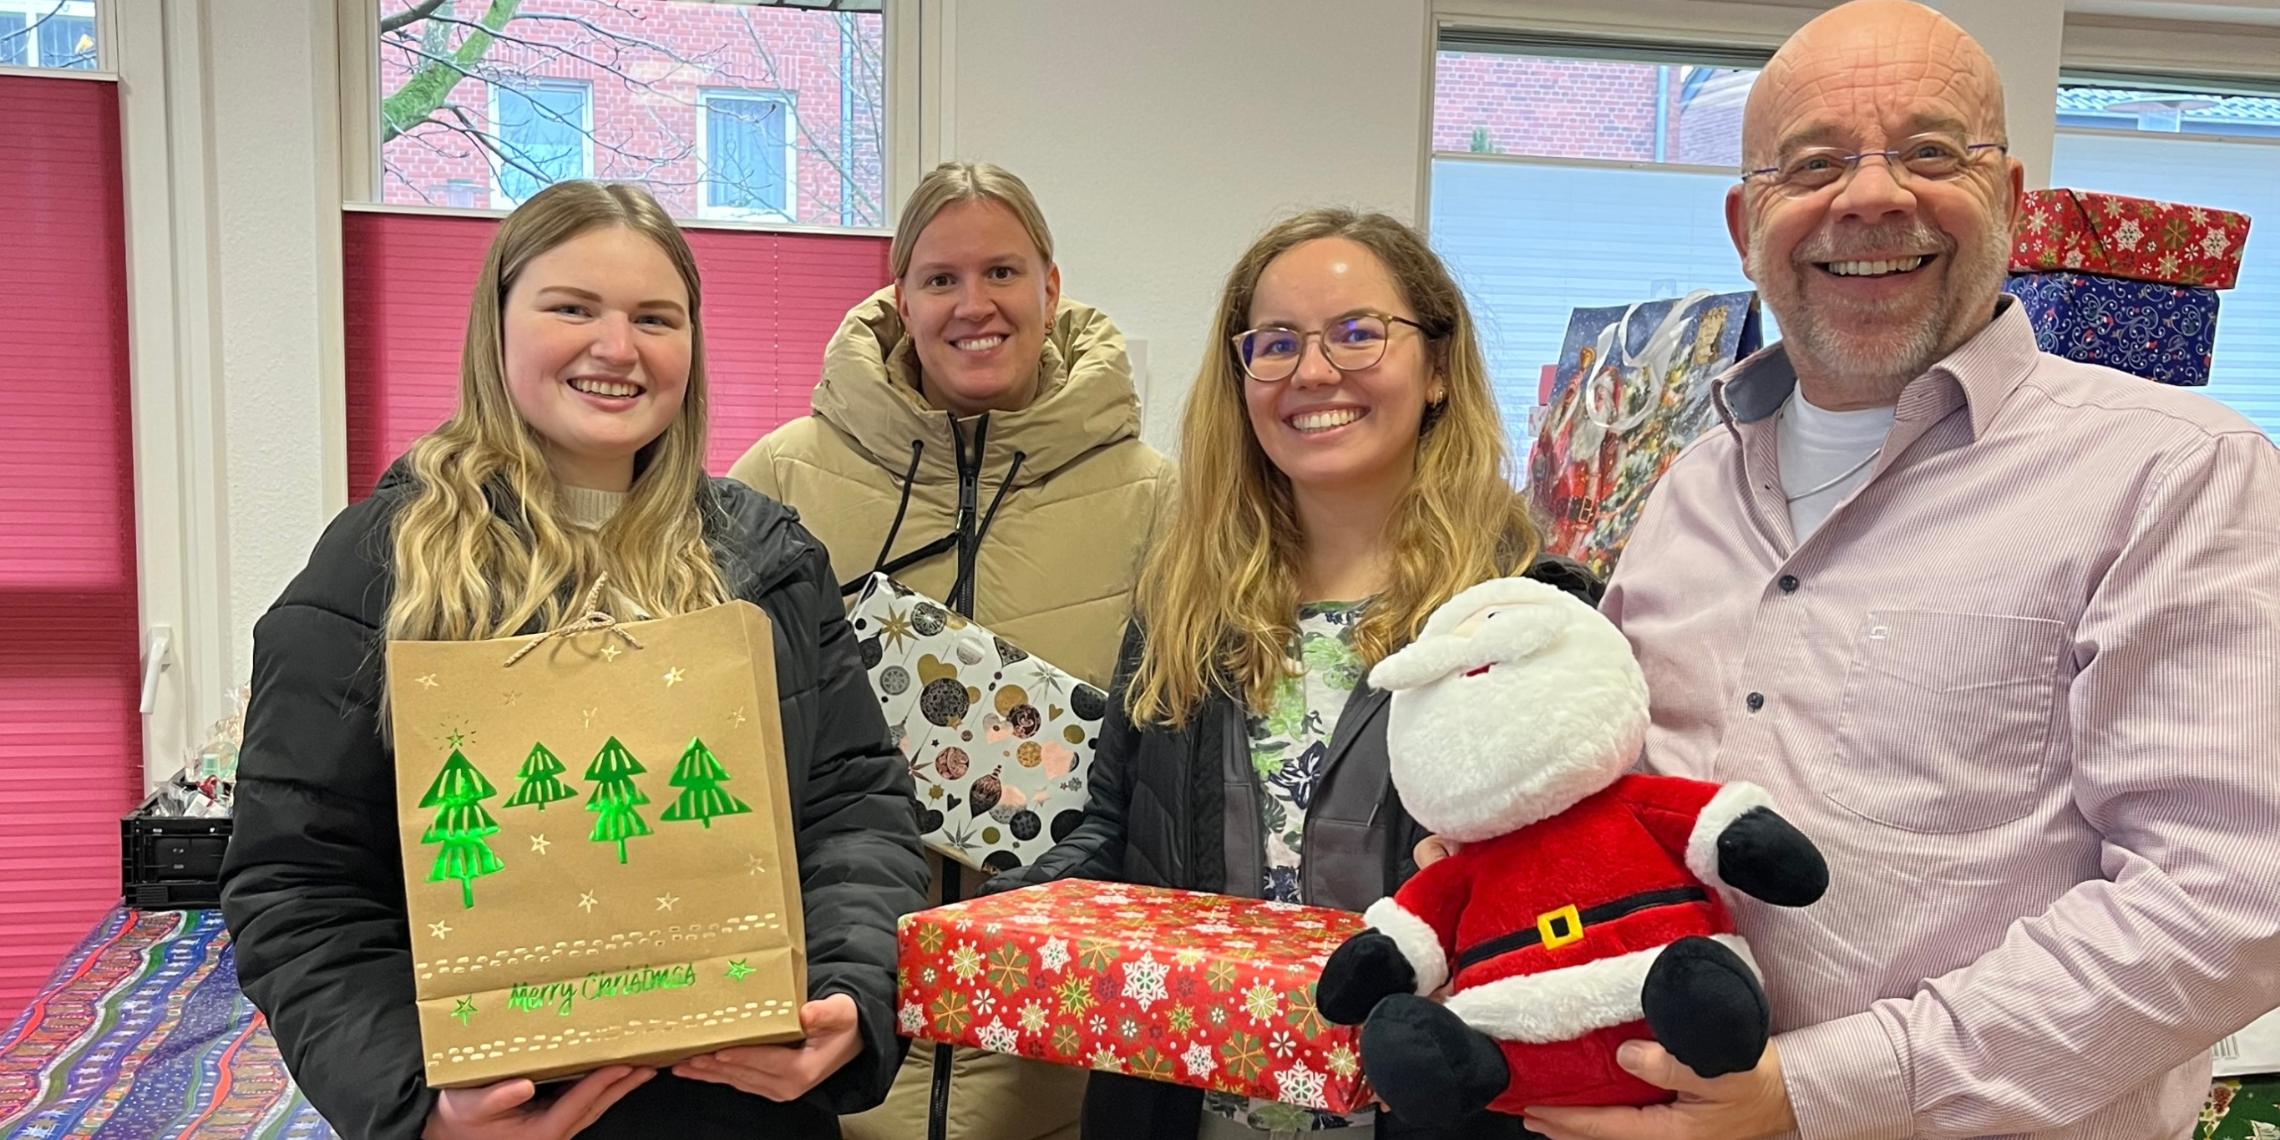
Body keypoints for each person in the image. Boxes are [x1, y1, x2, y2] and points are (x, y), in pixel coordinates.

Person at [1485, 3, 2280, 1138]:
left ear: (2009, 201)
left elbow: (2231, 901)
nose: (1870, 196)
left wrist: (1814, 1095)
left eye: (1928, 152)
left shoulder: (2175, 477)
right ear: (1744, 223)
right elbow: (1634, 800)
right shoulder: (1687, 492)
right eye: (1812, 164)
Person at [219, 181, 928, 1140]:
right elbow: (298, 888)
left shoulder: (766, 559)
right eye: (572, 308)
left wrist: (852, 990)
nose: (617, 348)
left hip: (749, 1114)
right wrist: (416, 1106)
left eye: (655, 317)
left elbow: (856, 805)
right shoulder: (377, 568)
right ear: (496, 328)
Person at [993, 207, 1598, 1140]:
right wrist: (1023, 930)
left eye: (1358, 333)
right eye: (1275, 343)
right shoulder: (1187, 603)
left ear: (1436, 367)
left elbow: (1585, 905)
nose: (1314, 372)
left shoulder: (1527, 616)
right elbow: (1117, 835)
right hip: (1180, 1113)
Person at [731, 161, 1170, 1140]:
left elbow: (1177, 778)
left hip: (1055, 1053)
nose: (976, 304)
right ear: (899, 299)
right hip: (833, 1039)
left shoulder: (1158, 501)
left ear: (1052, 288)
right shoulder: (781, 476)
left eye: (1004, 272)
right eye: (940, 278)